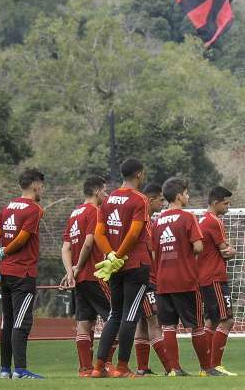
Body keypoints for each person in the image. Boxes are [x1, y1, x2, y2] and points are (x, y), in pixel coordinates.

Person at [88, 159, 151, 378]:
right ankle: (122, 368)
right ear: (139, 174)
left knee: (115, 315)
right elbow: (134, 234)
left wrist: (110, 256)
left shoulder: (108, 199)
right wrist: (120, 256)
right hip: (135, 265)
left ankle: (98, 367)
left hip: (114, 266)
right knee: (129, 316)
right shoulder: (140, 200)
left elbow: (99, 233)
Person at [153, 177, 215, 375]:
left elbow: (153, 252)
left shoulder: (157, 221)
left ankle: (174, 369)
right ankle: (206, 368)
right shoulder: (188, 218)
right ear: (179, 196)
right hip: (185, 279)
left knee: (169, 326)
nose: (188, 196)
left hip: (163, 280)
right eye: (186, 193)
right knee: (196, 325)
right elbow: (198, 246)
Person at [0, 168, 45, 379]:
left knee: (8, 321)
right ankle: (20, 370)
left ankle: (5, 370)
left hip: (5, 273)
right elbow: (22, 239)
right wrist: (5, 251)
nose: (43, 189)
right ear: (35, 185)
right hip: (23, 272)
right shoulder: (34, 209)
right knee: (22, 321)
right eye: (42, 185)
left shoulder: (7, 208)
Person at [60, 175, 110, 377]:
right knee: (114, 317)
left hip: (79, 279)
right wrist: (79, 267)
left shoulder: (74, 213)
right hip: (95, 274)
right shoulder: (95, 212)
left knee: (84, 322)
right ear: (97, 191)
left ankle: (85, 369)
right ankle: (106, 366)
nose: (106, 195)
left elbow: (65, 247)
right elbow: (89, 242)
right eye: (105, 191)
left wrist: (70, 272)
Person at [198, 186, 238, 376]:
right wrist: (233, 251)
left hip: (204, 277)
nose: (228, 207)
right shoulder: (214, 221)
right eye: (226, 203)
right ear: (215, 203)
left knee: (211, 321)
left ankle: (206, 367)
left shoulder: (202, 220)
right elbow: (226, 250)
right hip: (214, 277)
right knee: (227, 320)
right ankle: (214, 365)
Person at [135, 182, 173, 376]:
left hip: (139, 278)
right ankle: (170, 368)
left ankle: (142, 368)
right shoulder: (146, 223)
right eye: (160, 200)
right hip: (146, 279)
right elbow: (152, 251)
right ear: (150, 200)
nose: (163, 204)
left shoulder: (145, 221)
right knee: (154, 322)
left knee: (142, 323)